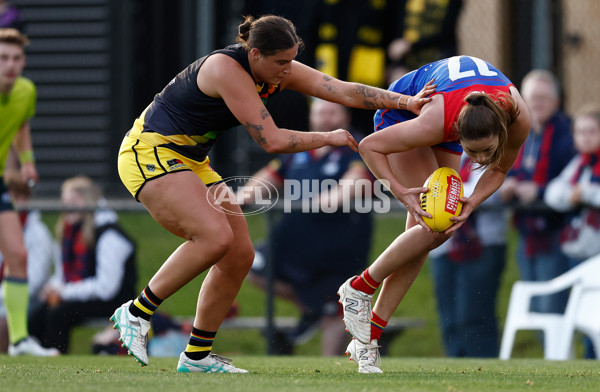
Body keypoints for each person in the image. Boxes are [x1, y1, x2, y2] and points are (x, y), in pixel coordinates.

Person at [111, 14, 435, 373]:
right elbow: (273, 140)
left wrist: (407, 103)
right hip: (150, 152)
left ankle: (196, 356)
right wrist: (329, 137)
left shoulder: (275, 66)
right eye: (281, 62)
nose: (287, 70)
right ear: (254, 54)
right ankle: (137, 312)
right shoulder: (226, 69)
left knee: (240, 255)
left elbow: (340, 89)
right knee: (214, 237)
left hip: (190, 159)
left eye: (291, 60)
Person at [337, 55, 531, 373]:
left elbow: (499, 170)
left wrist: (473, 202)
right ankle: (359, 287)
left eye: (487, 149)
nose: (482, 158)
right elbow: (369, 146)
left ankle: (367, 337)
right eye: (474, 151)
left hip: (454, 107)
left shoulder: (518, 118)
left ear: (501, 129)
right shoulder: (434, 123)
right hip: (404, 113)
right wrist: (400, 191)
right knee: (434, 227)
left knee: (429, 233)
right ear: (457, 133)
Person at [241, 99, 373, 356]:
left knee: (337, 308)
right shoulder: (300, 148)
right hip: (293, 245)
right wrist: (240, 199)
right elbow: (269, 175)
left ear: (345, 115)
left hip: (337, 250)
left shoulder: (357, 148)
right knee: (250, 263)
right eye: (320, 112)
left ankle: (331, 370)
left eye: (332, 111)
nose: (326, 118)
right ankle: (311, 308)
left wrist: (323, 201)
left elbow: (357, 182)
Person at [28, 176, 137, 354]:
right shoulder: (69, 233)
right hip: (84, 296)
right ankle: (38, 362)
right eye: (65, 202)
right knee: (37, 315)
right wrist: (54, 288)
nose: (67, 208)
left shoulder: (109, 235)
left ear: (88, 202)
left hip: (113, 302)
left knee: (58, 315)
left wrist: (64, 292)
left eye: (73, 202)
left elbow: (106, 288)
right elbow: (62, 275)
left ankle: (58, 361)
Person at [0, 27, 58, 356]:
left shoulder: (26, 90)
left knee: (18, 256)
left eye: (16, 57)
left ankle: (18, 341)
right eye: (3, 58)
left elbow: (21, 124)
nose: (10, 64)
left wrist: (27, 161)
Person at [499, 69, 575, 314]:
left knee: (550, 306)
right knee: (532, 307)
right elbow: (510, 167)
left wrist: (539, 191)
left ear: (556, 101)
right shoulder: (520, 131)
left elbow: (570, 178)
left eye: (544, 97)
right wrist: (508, 184)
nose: (537, 103)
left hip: (557, 232)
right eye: (533, 97)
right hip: (526, 231)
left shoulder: (569, 134)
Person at [428, 155, 507, 358]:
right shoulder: (436, 150)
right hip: (441, 244)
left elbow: (494, 189)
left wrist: (444, 198)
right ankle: (454, 368)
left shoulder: (488, 148)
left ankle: (483, 368)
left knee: (474, 314)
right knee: (449, 316)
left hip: (482, 243)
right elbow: (420, 189)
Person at [545, 104, 600, 359]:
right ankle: (588, 361)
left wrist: (586, 193)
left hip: (596, 252)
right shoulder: (579, 164)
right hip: (577, 250)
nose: (585, 137)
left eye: (591, 131)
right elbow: (553, 193)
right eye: (580, 132)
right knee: (582, 313)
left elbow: (590, 193)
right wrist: (572, 196)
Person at [0, 167, 60, 354]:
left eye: (15, 196)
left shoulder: (37, 232)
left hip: (31, 297)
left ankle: (16, 346)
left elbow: (35, 278)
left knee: (2, 322)